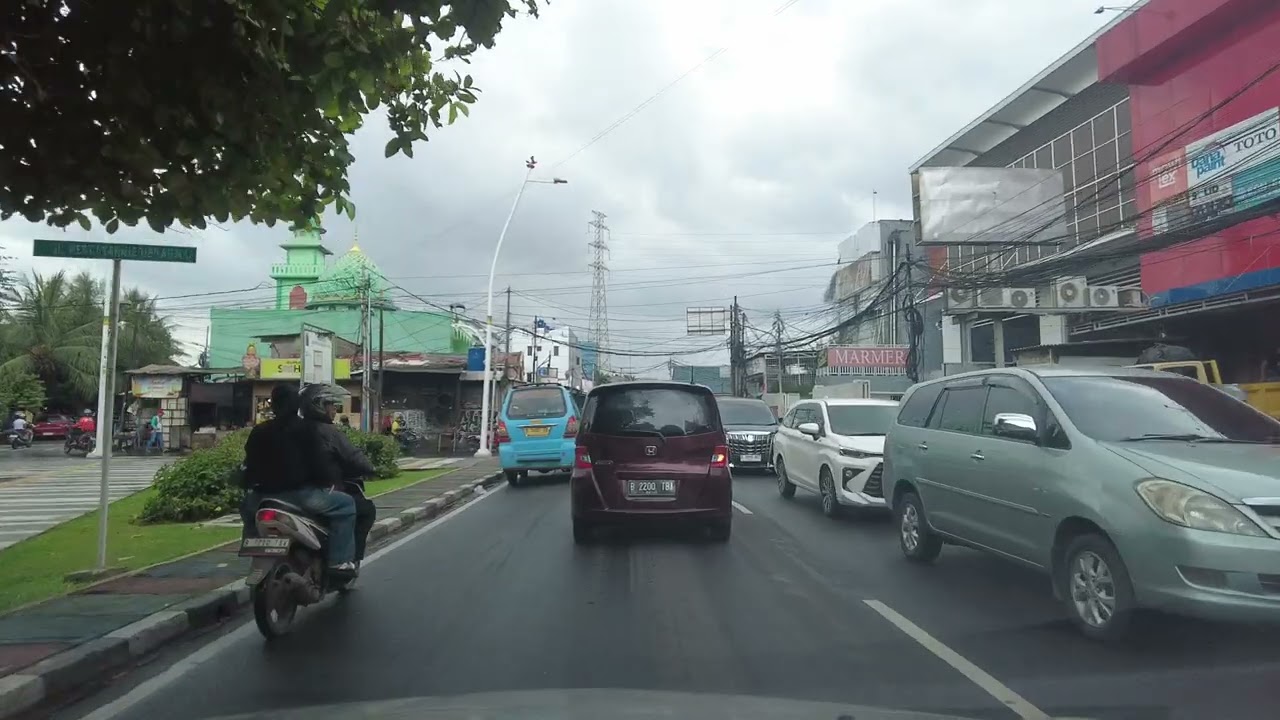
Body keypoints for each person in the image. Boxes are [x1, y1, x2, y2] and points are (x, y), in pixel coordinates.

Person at [240, 384, 358, 574]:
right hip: (299, 496)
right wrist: (328, 482)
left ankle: (254, 549)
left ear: (274, 405)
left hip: (261, 497)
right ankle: (339, 561)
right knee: (346, 505)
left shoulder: (259, 431)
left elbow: (247, 465)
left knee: (248, 514)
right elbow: (319, 463)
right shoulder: (307, 429)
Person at [299, 383, 378, 566]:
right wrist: (371, 468)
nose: (335, 409)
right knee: (363, 509)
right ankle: (343, 560)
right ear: (319, 405)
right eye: (331, 404)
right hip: (319, 492)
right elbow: (353, 456)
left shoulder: (292, 428)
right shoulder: (328, 431)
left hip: (285, 492)